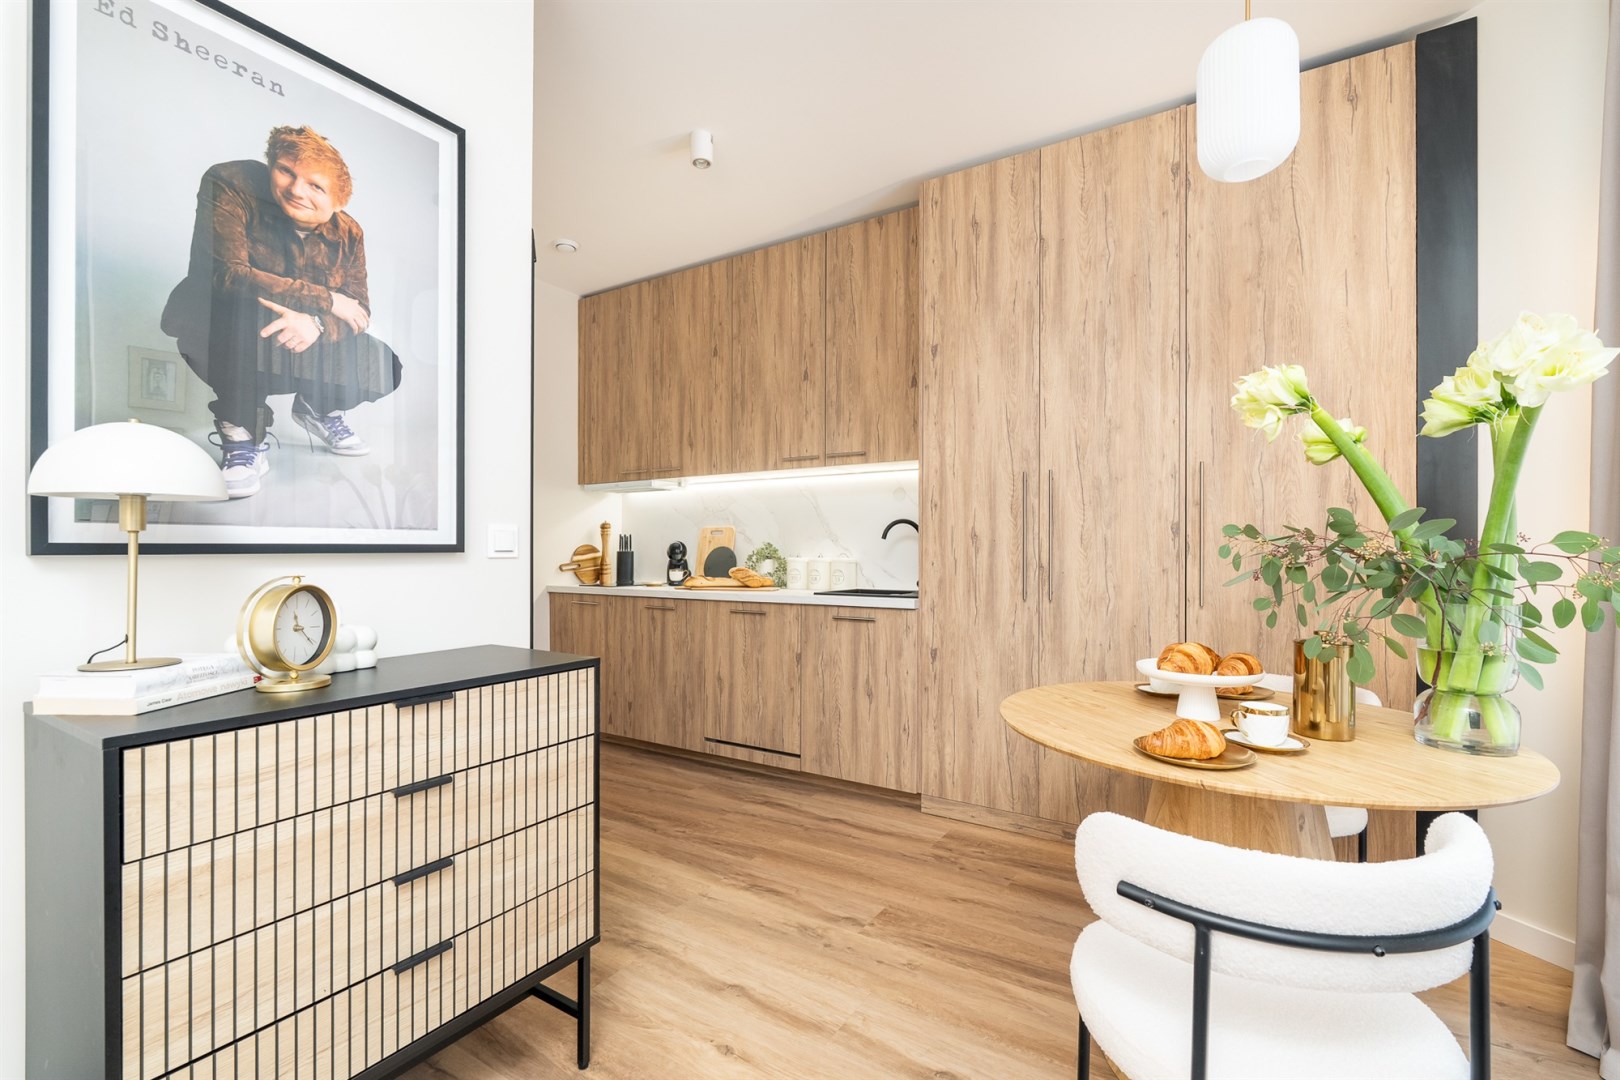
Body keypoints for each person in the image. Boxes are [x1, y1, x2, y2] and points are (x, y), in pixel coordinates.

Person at [162, 125, 403, 498]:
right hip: (224, 335)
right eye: (286, 171)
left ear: (338, 202)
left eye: (315, 186)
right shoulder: (232, 183)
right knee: (242, 313)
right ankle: (243, 433)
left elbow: (358, 310)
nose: (296, 190)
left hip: (300, 342)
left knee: (385, 366)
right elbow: (227, 275)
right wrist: (326, 300)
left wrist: (316, 323)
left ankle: (316, 408)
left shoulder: (348, 233)